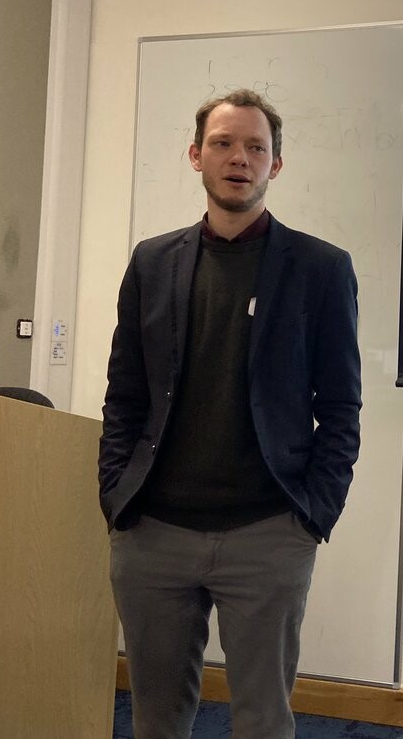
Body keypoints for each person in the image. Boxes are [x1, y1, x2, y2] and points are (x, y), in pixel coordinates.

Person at [98, 88, 361, 739]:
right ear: (196, 156)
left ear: (276, 164)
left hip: (268, 531)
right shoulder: (152, 262)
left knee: (263, 721)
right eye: (222, 143)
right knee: (156, 720)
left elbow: (340, 405)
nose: (238, 158)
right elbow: (125, 392)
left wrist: (313, 513)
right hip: (154, 533)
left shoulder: (322, 269)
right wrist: (115, 496)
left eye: (255, 147)